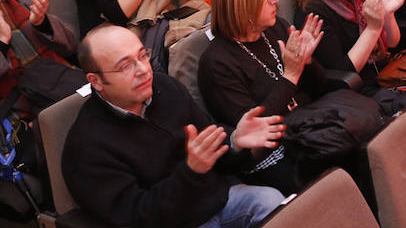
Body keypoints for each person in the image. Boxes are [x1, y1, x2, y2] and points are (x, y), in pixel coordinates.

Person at [63, 24, 286, 228]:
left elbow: (207, 139)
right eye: (125, 66)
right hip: (171, 222)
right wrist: (192, 172)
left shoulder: (164, 87)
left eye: (143, 56)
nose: (142, 69)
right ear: (96, 81)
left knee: (274, 202)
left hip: (216, 198)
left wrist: (234, 141)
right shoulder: (87, 147)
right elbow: (138, 217)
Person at [197, 0, 330, 192]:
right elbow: (256, 130)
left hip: (308, 128)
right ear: (244, 6)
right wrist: (290, 75)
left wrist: (307, 62)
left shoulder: (275, 27)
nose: (276, 0)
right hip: (272, 155)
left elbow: (321, 89)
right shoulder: (216, 64)